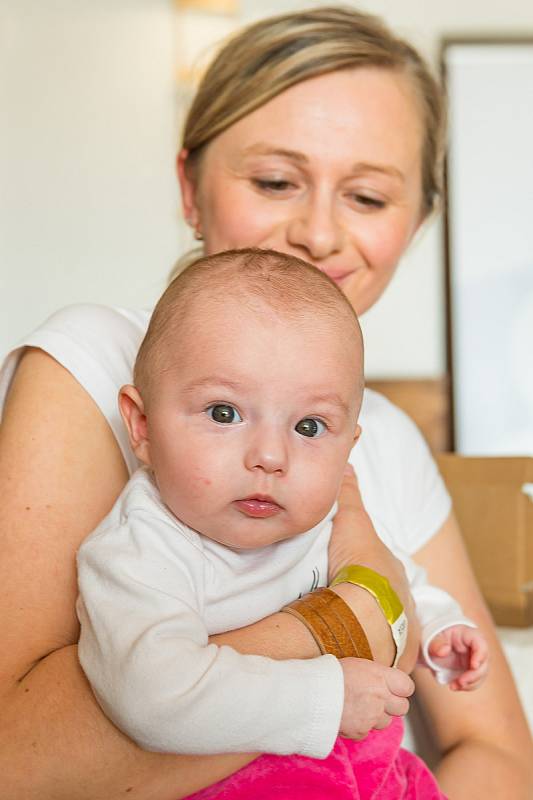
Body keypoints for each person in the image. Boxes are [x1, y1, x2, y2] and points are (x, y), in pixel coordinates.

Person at [0, 7, 530, 800]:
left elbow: (498, 753)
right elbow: (18, 759)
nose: (317, 233)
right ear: (189, 186)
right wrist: (355, 618)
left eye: (369, 197)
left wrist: (409, 614)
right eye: (275, 181)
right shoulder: (89, 361)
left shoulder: (382, 437)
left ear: (415, 223)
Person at [76, 249, 487, 788]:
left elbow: (399, 577)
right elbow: (152, 692)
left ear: (349, 448)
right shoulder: (142, 548)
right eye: (224, 413)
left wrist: (441, 628)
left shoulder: (323, 518)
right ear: (143, 427)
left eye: (310, 427)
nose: (271, 456)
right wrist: (327, 698)